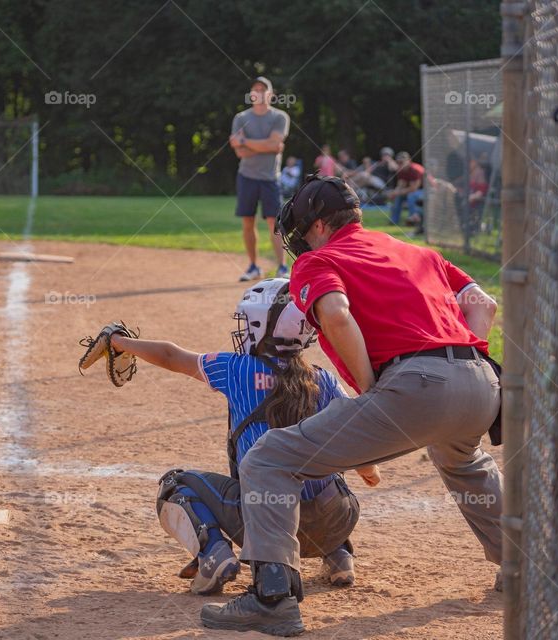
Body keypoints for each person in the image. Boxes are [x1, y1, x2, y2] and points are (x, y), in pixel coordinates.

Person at [201, 175, 502, 636]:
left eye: (303, 226)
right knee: (461, 458)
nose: (300, 237)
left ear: (319, 224)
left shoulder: (320, 259)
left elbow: (337, 313)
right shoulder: (416, 251)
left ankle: (272, 596)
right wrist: (472, 352)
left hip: (415, 385)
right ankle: (527, 565)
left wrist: (369, 386)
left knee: (269, 458)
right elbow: (483, 302)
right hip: (482, 383)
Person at [105, 278, 373, 597]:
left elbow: (169, 355)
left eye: (248, 322)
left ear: (261, 327)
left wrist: (121, 343)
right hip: (337, 521)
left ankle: (214, 556)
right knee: (323, 462)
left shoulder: (238, 369)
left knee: (175, 484)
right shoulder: (324, 379)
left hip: (270, 530)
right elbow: (367, 466)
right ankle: (339, 554)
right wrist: (367, 471)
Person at [231, 77, 290, 281]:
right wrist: (266, 146)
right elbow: (240, 152)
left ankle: (282, 267)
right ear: (251, 94)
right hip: (246, 176)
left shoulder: (279, 117)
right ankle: (253, 266)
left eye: (263, 89)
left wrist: (245, 142)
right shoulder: (241, 117)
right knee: (248, 221)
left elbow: (275, 144)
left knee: (275, 222)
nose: (259, 92)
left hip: (270, 178)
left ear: (271, 94)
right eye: (255, 89)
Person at [388, 151, 423, 227]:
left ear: (408, 161)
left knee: (411, 196)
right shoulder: (401, 170)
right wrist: (394, 193)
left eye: (401, 162)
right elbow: (401, 185)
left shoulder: (415, 169)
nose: (399, 164)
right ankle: (394, 220)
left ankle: (412, 220)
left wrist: (398, 192)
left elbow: (414, 188)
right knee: (398, 197)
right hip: (414, 191)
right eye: (398, 162)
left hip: (427, 190)